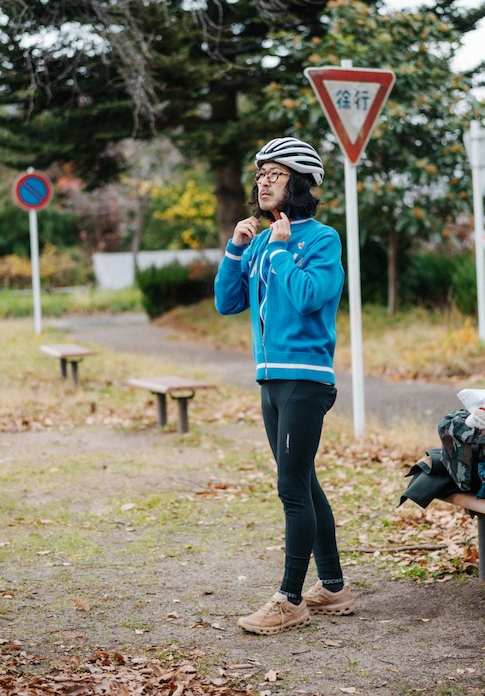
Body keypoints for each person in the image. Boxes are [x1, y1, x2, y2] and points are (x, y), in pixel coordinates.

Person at [214, 136, 356, 635]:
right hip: (270, 379)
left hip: (306, 379)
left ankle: (290, 600)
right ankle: (334, 588)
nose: (263, 181)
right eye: (259, 174)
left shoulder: (322, 240)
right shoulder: (258, 242)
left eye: (274, 173)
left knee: (290, 487)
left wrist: (276, 252)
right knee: (304, 482)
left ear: (298, 181)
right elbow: (228, 303)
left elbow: (310, 297)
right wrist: (236, 249)